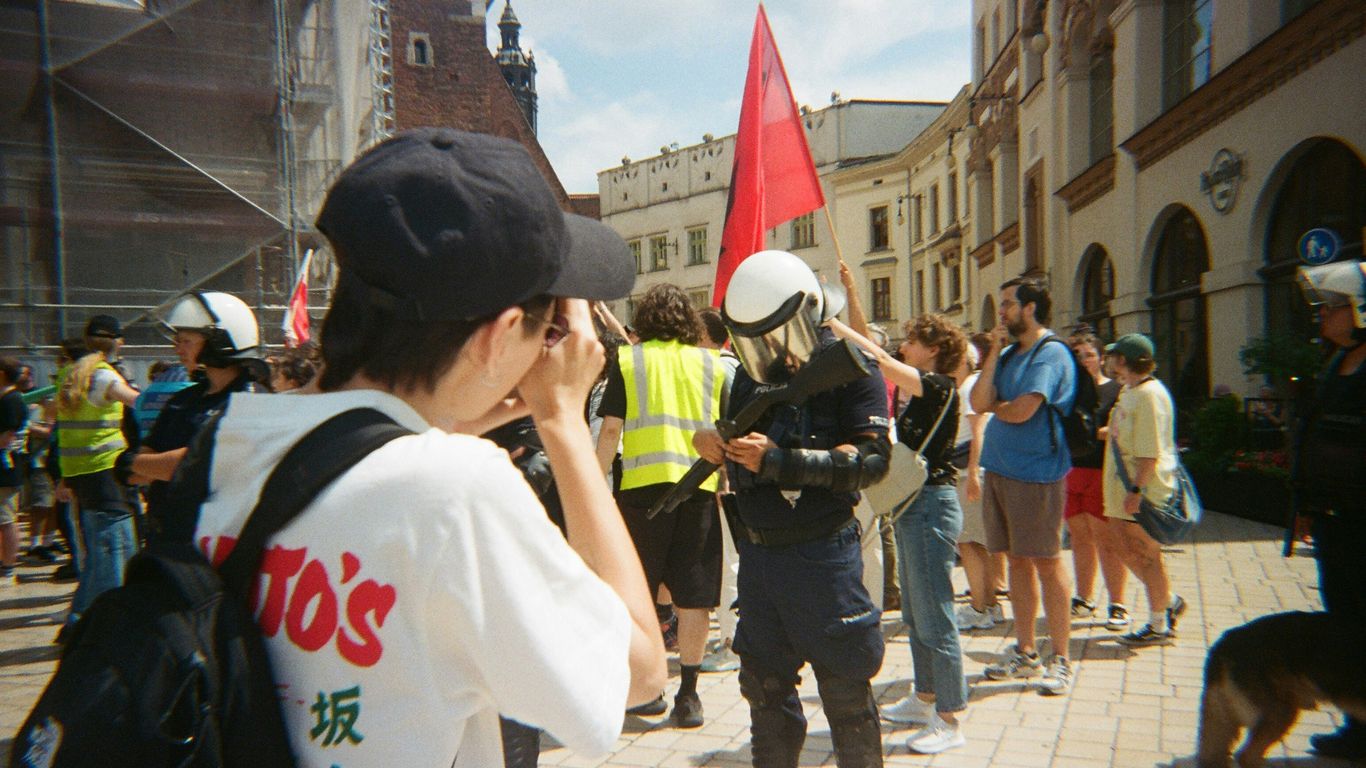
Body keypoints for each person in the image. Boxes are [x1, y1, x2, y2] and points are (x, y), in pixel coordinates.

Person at [183, 128, 666, 766]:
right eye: (548, 326)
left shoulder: (227, 438)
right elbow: (637, 673)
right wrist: (564, 423)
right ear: (498, 337)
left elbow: (350, 467)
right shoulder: (455, 490)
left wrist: (452, 420)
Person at [694, 249, 891, 767]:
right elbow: (740, 439)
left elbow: (871, 461)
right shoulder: (745, 377)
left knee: (847, 694)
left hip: (824, 555)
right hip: (761, 559)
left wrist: (780, 461)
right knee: (764, 692)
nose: (768, 351)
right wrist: (715, 444)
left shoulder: (851, 365)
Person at [832, 313, 971, 754]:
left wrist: (836, 326)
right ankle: (925, 696)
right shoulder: (924, 389)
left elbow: (875, 356)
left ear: (933, 349)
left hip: (931, 506)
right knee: (915, 611)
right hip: (917, 505)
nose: (905, 345)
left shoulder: (941, 386)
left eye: (913, 340)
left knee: (936, 615)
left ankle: (949, 717)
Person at [593, 283, 724, 728]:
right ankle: (690, 694)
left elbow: (610, 433)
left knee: (638, 595)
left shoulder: (629, 361)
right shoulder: (711, 364)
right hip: (697, 490)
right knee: (694, 597)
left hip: (641, 493)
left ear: (645, 319)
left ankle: (646, 692)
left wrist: (592, 488)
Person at [970, 277, 1077, 695]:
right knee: (1016, 561)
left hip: (1036, 475)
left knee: (1048, 563)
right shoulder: (1013, 353)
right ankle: (1026, 651)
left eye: (1009, 303)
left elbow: (1021, 411)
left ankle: (1062, 658)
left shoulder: (1050, 355)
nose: (1002, 311)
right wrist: (994, 351)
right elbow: (979, 403)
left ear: (1030, 309)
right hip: (1001, 470)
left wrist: (999, 406)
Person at [122, 291, 266, 544]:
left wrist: (135, 461)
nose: (177, 349)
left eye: (186, 341)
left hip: (215, 543)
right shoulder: (182, 401)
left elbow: (193, 464)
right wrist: (142, 464)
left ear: (219, 342)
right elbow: (138, 474)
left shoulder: (251, 400)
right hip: (166, 536)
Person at [1294, 259, 1366, 760]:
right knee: (1344, 622)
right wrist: (1304, 505)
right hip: (1333, 519)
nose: (1323, 315)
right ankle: (1357, 724)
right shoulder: (1332, 363)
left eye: (1332, 307)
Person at [54, 316, 142, 639]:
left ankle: (77, 623)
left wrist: (63, 477)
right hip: (108, 476)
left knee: (99, 556)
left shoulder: (68, 375)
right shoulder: (104, 376)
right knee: (113, 557)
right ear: (117, 343)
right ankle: (94, 631)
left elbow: (58, 427)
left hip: (82, 477)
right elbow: (137, 402)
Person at [1101, 334, 1187, 647]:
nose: (1109, 361)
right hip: (1121, 487)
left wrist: (1137, 489)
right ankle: (1167, 599)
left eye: (1114, 356)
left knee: (1146, 553)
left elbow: (1149, 451)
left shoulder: (1150, 394)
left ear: (1123, 360)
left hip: (1141, 488)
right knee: (1121, 546)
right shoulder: (1131, 390)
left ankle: (1159, 623)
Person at [1065, 333, 1129, 630]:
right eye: (1076, 354)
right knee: (1079, 538)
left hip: (1102, 472)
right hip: (1070, 472)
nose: (1083, 359)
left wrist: (1089, 433)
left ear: (1102, 357)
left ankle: (1117, 603)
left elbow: (1120, 429)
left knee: (1107, 540)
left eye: (1088, 353)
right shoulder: (1067, 391)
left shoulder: (1115, 390)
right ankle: (1084, 597)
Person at [697, 306, 743, 675]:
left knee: (731, 561)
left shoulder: (719, 367)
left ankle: (734, 643)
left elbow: (729, 428)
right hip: (730, 477)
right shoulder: (729, 365)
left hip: (727, 480)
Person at [953, 333, 1008, 631]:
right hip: (971, 471)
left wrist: (973, 471)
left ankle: (979, 608)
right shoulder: (968, 386)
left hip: (968, 472)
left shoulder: (969, 387)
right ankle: (989, 604)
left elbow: (979, 432)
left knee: (969, 541)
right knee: (977, 542)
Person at [0, 357, 28, 586]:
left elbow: (6, 437)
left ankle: (9, 567)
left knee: (7, 519)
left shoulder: (12, 401)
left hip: (6, 470)